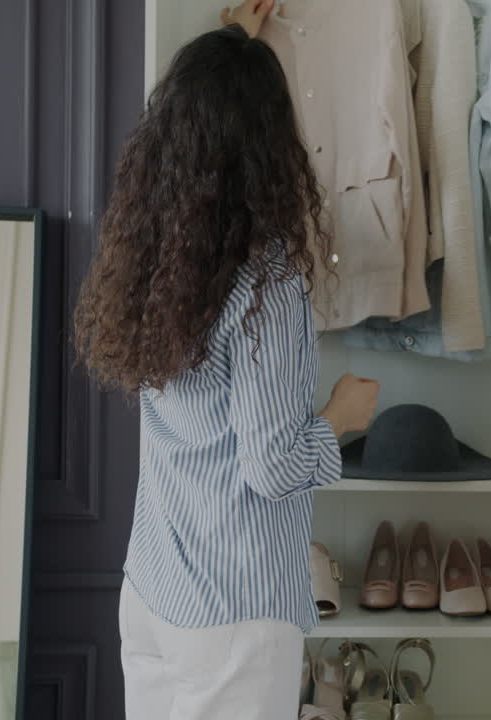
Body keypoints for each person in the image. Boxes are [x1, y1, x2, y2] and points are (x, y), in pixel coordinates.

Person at [72, 2, 379, 717]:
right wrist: (340, 416)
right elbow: (272, 467)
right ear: (272, 145)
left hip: (154, 589)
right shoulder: (266, 282)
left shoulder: (154, 256)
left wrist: (236, 37)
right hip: (232, 611)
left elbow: (208, 101)